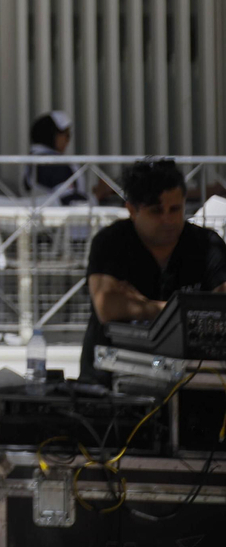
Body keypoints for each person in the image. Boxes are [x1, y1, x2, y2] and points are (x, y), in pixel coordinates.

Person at [80, 156, 226, 384]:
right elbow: (107, 307)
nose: (168, 219)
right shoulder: (110, 242)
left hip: (193, 381)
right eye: (156, 211)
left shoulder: (207, 244)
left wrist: (141, 306)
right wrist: (188, 312)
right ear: (132, 210)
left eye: (175, 209)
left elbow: (222, 310)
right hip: (110, 380)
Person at [24, 110, 86, 204]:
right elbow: (70, 201)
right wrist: (97, 196)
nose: (68, 140)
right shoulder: (50, 163)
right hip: (61, 216)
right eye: (66, 135)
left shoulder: (37, 158)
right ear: (50, 134)